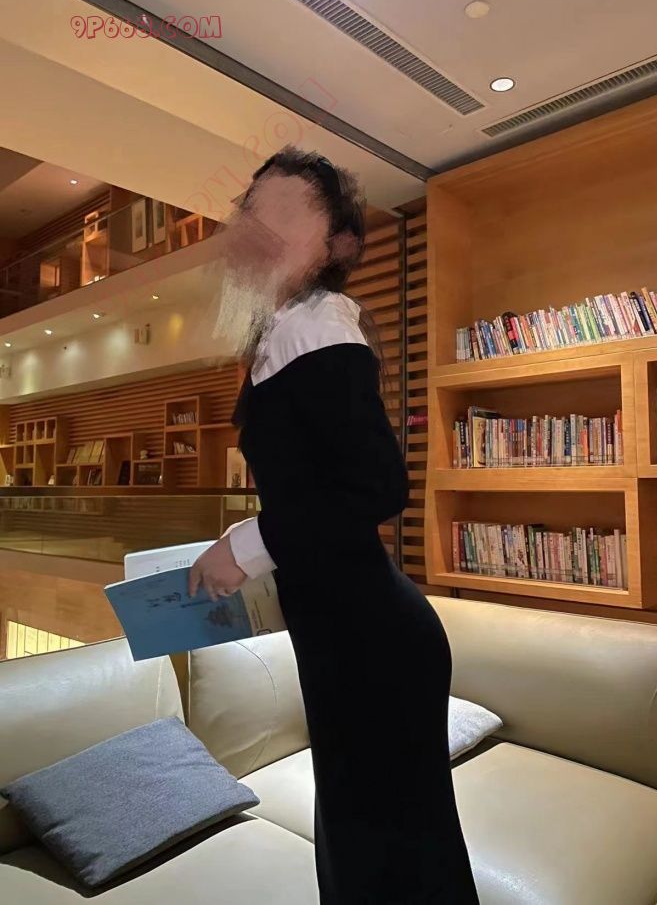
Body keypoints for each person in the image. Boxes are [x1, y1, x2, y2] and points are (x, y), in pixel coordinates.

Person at [188, 146, 480, 904]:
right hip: (346, 638)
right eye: (252, 210)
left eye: (285, 213)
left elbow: (376, 485)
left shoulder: (318, 324)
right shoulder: (281, 330)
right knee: (370, 845)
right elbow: (316, 493)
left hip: (373, 645)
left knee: (388, 855)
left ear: (334, 244)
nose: (258, 227)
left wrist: (246, 546)